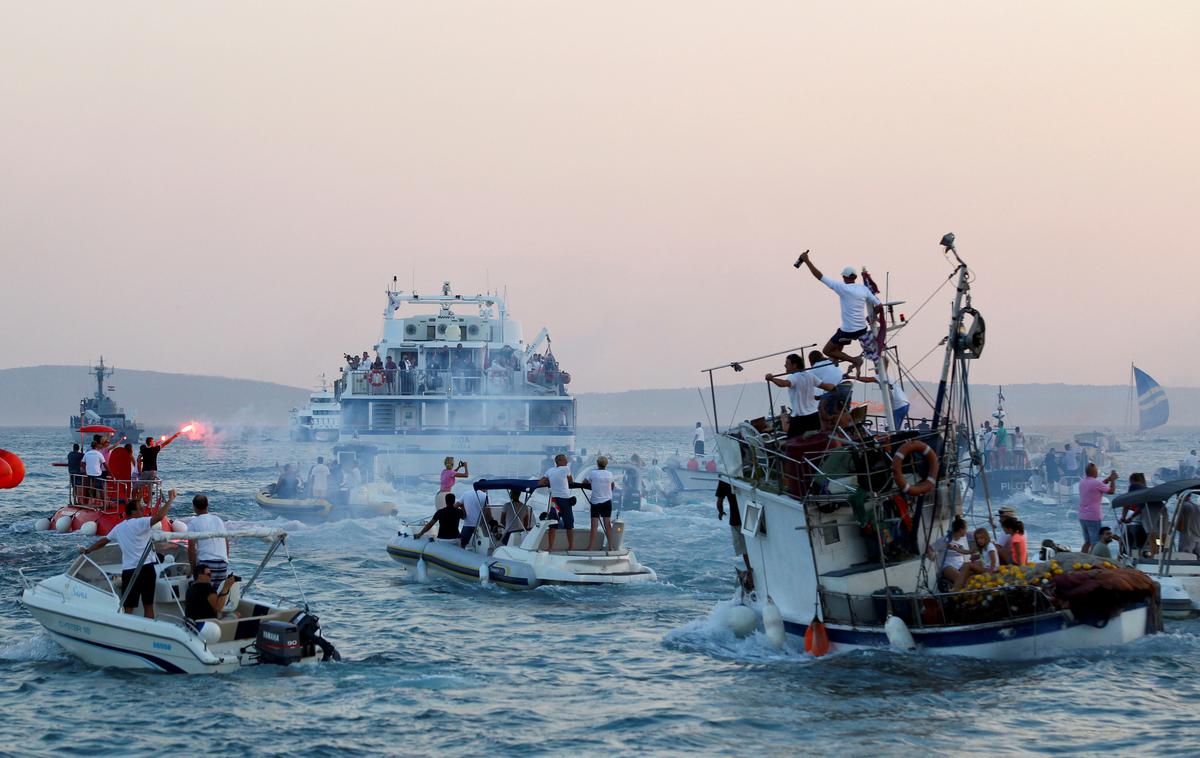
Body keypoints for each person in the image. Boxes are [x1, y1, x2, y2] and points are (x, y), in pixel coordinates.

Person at [78, 489, 177, 619]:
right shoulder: (140, 522)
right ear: (133, 512)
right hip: (146, 569)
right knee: (148, 606)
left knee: (128, 607)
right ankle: (147, 632)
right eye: (140, 509)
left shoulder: (119, 528)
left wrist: (88, 550)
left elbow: (103, 541)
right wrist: (170, 500)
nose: (143, 511)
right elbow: (159, 517)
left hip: (129, 570)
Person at [794, 250, 883, 375]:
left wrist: (807, 261)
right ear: (855, 277)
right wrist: (872, 317)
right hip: (862, 329)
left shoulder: (842, 288)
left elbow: (819, 276)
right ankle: (836, 358)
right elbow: (880, 306)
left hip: (849, 330)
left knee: (827, 350)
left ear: (845, 277)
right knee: (839, 332)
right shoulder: (863, 289)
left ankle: (855, 361)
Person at [766, 354, 835, 437]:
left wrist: (772, 378)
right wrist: (835, 387)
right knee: (815, 441)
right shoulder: (810, 376)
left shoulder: (793, 377)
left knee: (792, 444)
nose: (785, 365)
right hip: (813, 415)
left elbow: (784, 383)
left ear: (795, 365)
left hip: (800, 418)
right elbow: (826, 386)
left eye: (787, 363)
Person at [187, 494, 230, 583]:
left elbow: (191, 548)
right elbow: (226, 543)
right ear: (207, 505)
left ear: (194, 507)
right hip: (222, 563)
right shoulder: (218, 520)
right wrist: (225, 561)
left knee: (204, 594)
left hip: (206, 564)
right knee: (217, 594)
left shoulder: (193, 523)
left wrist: (193, 570)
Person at [539, 454, 576, 552]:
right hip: (565, 499)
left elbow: (541, 483)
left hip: (554, 500)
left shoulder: (550, 470)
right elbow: (571, 481)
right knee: (569, 524)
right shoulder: (566, 469)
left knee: (553, 524)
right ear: (559, 461)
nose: (567, 462)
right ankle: (571, 547)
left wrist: (551, 483)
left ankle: (550, 547)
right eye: (565, 460)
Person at [1078, 463, 1118, 553]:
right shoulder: (1096, 483)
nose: (1098, 471)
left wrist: (1108, 479)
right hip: (1093, 516)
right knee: (1095, 542)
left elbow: (1098, 485)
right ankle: (1092, 561)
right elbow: (1111, 491)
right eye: (1096, 470)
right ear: (1093, 471)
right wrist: (1113, 480)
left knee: (1087, 541)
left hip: (1082, 516)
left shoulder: (1082, 482)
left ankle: (1081, 558)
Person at [716, 480, 752, 573]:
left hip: (736, 520)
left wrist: (720, 512)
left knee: (744, 550)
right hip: (750, 516)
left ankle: (750, 570)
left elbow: (719, 502)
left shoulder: (724, 479)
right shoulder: (743, 476)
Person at [582, 456, 617, 551]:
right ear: (606, 464)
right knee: (607, 524)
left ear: (597, 464)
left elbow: (584, 483)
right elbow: (612, 486)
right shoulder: (610, 474)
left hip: (595, 502)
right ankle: (610, 546)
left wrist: (593, 485)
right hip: (607, 501)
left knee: (594, 525)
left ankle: (590, 547)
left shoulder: (593, 473)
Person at [928, 517, 972, 590]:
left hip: (960, 565)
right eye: (966, 529)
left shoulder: (962, 539)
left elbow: (965, 551)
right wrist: (932, 557)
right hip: (947, 566)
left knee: (971, 576)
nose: (966, 531)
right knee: (960, 578)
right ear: (961, 530)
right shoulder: (945, 540)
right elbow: (930, 548)